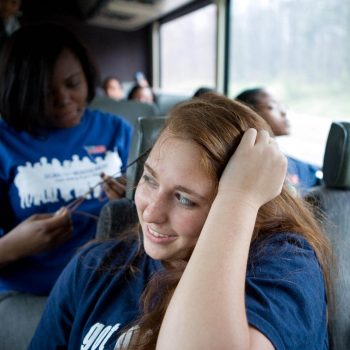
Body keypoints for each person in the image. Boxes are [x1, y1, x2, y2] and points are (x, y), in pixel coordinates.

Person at [29, 94, 331, 349]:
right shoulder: (93, 266)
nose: (151, 212)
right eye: (149, 178)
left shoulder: (285, 265)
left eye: (185, 199)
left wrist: (238, 197)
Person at [0, 23, 133, 299]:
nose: (63, 99)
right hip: (32, 295)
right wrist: (14, 246)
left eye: (73, 84)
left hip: (113, 286)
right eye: (45, 92)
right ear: (19, 91)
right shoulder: (4, 142)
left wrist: (132, 197)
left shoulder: (117, 130)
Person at [235, 87, 320, 194]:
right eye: (272, 106)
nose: (284, 112)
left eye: (283, 106)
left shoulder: (293, 162)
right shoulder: (246, 164)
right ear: (251, 114)